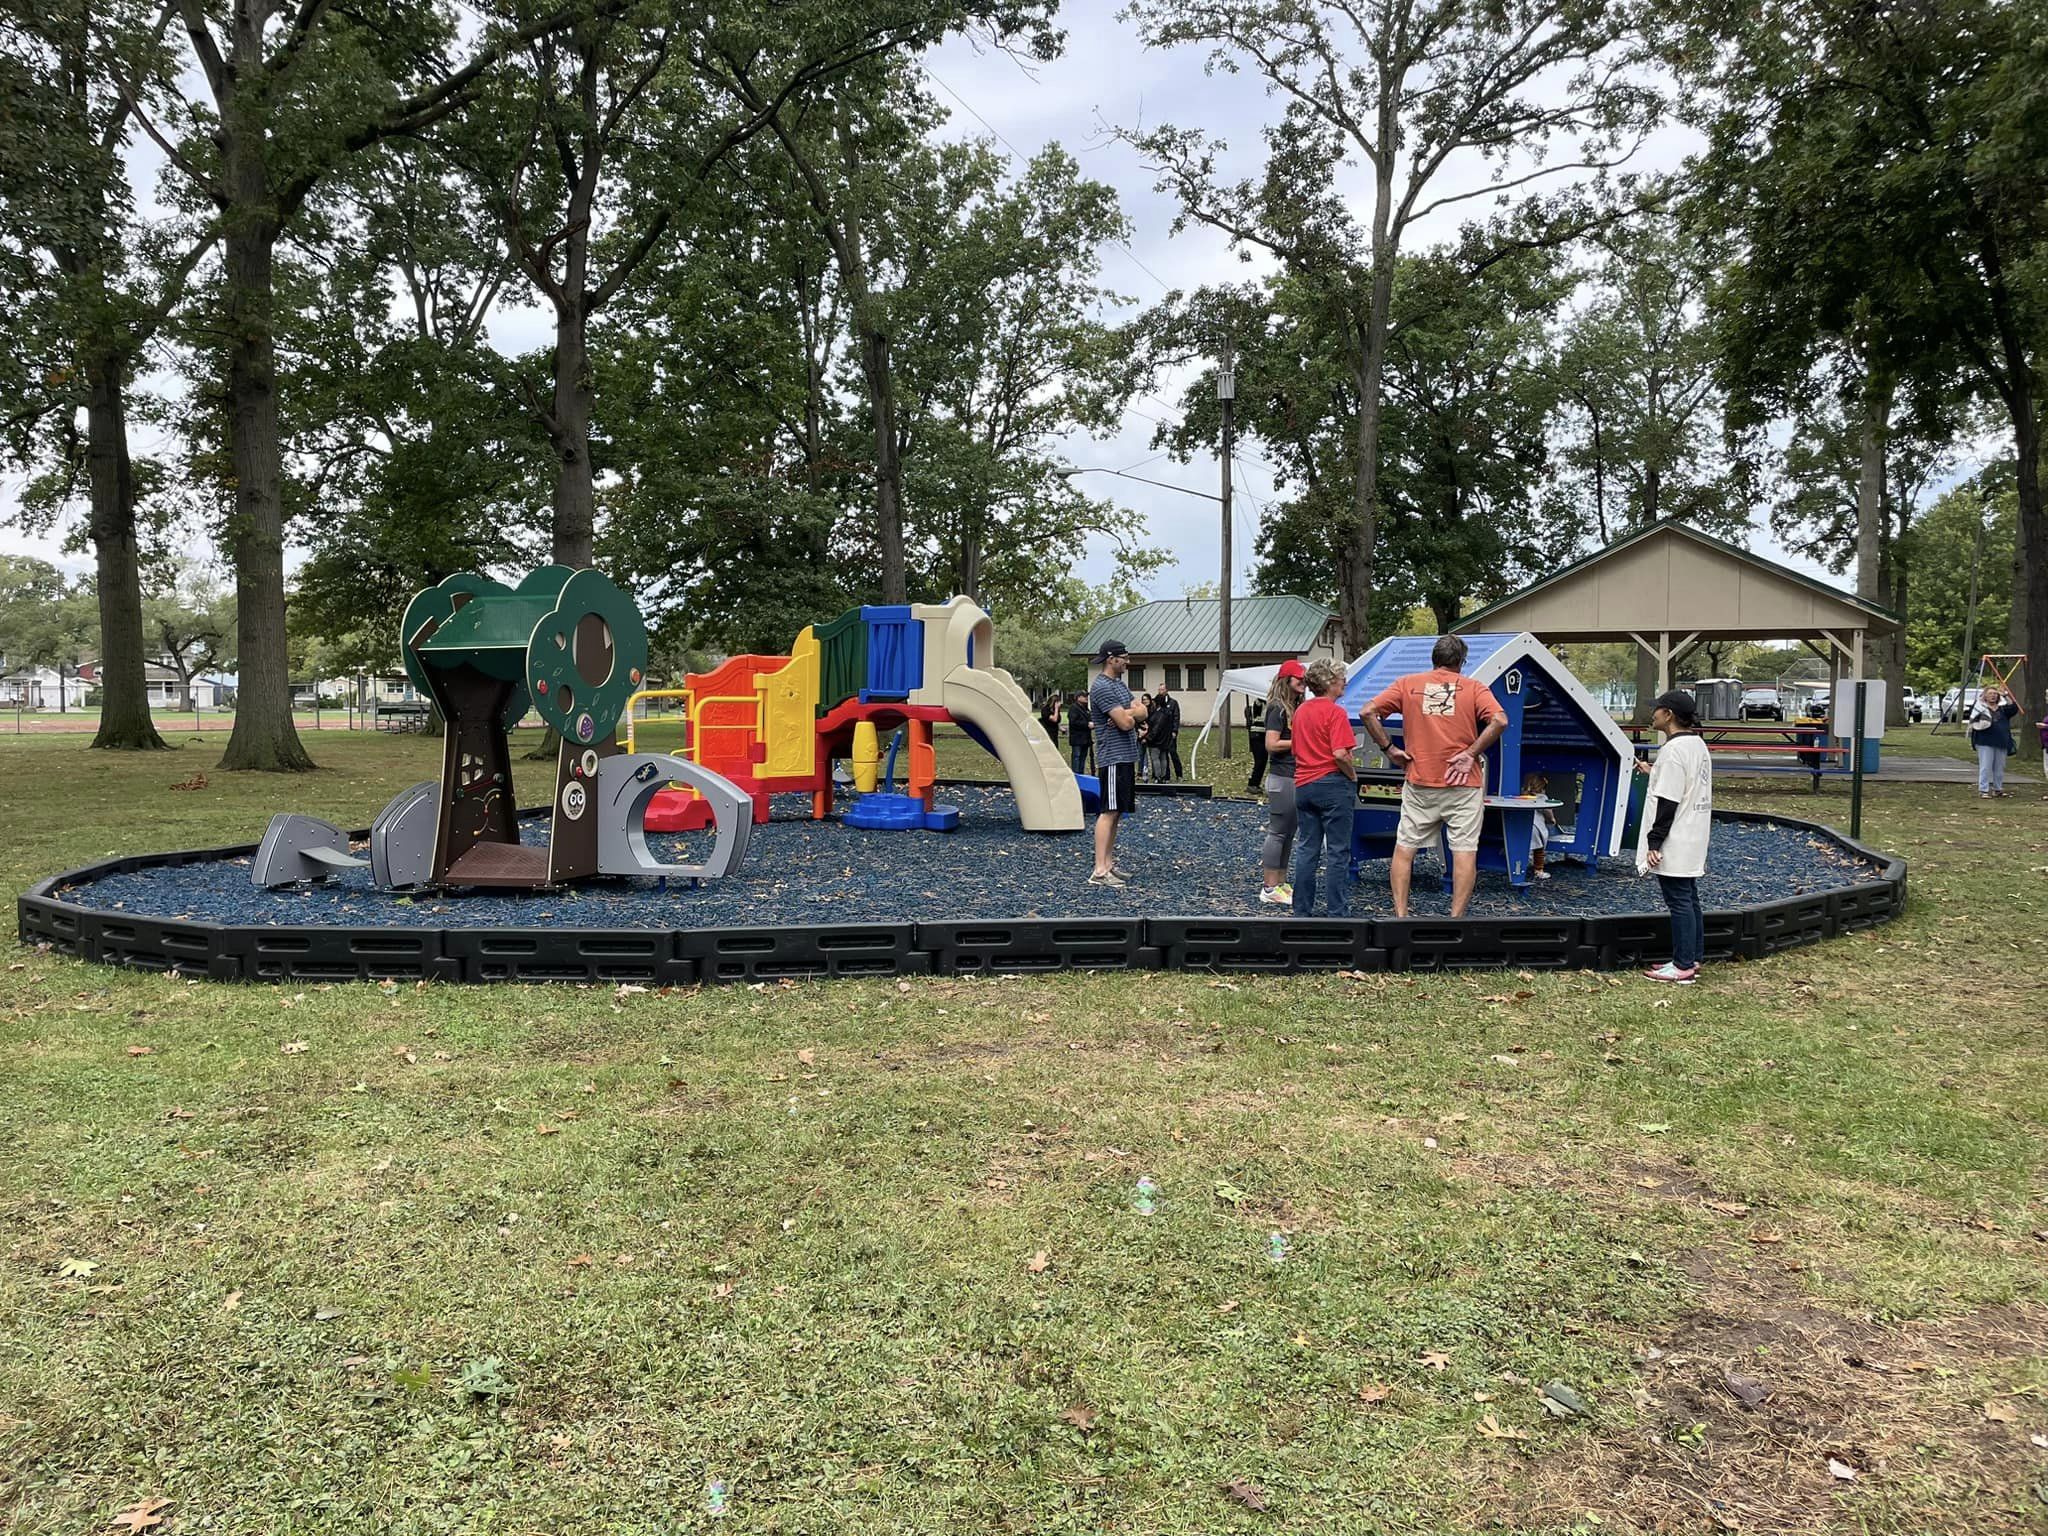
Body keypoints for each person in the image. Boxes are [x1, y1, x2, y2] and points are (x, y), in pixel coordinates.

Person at [1359, 634, 1508, 918]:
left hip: (1420, 781)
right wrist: (1471, 752)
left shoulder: (1407, 684)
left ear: (1433, 659)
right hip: (1463, 783)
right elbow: (1500, 720)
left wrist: (1389, 749)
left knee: (1405, 848)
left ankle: (1401, 916)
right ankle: (1455, 919)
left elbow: (1368, 711)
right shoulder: (1474, 688)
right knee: (1464, 850)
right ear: (1461, 662)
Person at [1635, 689, 1713, 984]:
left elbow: (1668, 801)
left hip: (1675, 838)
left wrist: (1654, 843)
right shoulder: (1696, 745)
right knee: (1689, 898)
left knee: (1679, 900)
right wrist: (1653, 770)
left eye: (1657, 709)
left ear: (1668, 715)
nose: (1652, 713)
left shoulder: (1672, 751)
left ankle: (1682, 967)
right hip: (1693, 833)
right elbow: (1685, 781)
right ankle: (1692, 956)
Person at [1290, 659, 1359, 916]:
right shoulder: (1335, 712)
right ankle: (1337, 913)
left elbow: (1297, 750)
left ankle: (1302, 910)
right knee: (1338, 852)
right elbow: (1341, 753)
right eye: (1342, 678)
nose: (1345, 683)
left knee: (1308, 849)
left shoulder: (1301, 712)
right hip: (1332, 783)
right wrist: (1352, 776)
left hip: (1304, 784)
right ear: (1330, 682)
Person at [1087, 642, 1148, 887]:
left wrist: (1129, 713)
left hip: (1125, 756)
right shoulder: (1101, 687)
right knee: (1108, 812)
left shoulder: (1119, 685)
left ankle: (1109, 864)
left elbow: (1143, 711)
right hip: (1112, 757)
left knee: (1117, 812)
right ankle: (1099, 870)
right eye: (1124, 658)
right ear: (1111, 659)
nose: (1128, 661)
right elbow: (1125, 724)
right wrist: (1128, 715)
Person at [1257, 660, 1307, 905]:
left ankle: (1280, 882)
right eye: (1298, 678)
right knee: (1277, 832)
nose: (1303, 682)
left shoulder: (1296, 706)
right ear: (1286, 680)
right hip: (1282, 776)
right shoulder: (1277, 708)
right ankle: (1268, 887)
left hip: (1293, 776)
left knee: (1288, 833)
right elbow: (1271, 744)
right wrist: (1301, 742)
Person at [1968, 684, 2022, 798]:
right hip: (1984, 741)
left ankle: (1998, 789)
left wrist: (2006, 694)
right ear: (1985, 696)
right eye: (1990, 694)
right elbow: (1974, 720)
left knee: (1999, 767)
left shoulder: (2003, 709)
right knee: (1985, 766)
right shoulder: (1980, 708)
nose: (1993, 696)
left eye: (1995, 694)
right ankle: (1984, 790)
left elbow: (2014, 708)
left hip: (2001, 741)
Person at [1521, 770, 1558, 880]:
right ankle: (1539, 870)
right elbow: (1548, 811)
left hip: (1522, 826)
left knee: (1521, 848)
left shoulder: (1521, 796)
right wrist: (1552, 820)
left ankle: (1517, 867)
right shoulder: (1542, 798)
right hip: (1536, 828)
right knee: (1539, 850)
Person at [1244, 697, 1269, 792]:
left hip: (1263, 734)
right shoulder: (1259, 702)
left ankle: (1255, 783)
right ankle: (1252, 784)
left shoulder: (1268, 703)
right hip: (1257, 734)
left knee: (1262, 761)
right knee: (1260, 761)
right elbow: (1258, 705)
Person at [1066, 691, 1092, 776]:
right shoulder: (1073, 708)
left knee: (1083, 758)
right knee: (1076, 757)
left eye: (1086, 696)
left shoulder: (1086, 708)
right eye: (1084, 696)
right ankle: (1076, 775)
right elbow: (1074, 722)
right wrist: (1087, 724)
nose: (1086, 698)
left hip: (1086, 738)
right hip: (1077, 738)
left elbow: (1090, 717)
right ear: (1078, 698)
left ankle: (1081, 774)